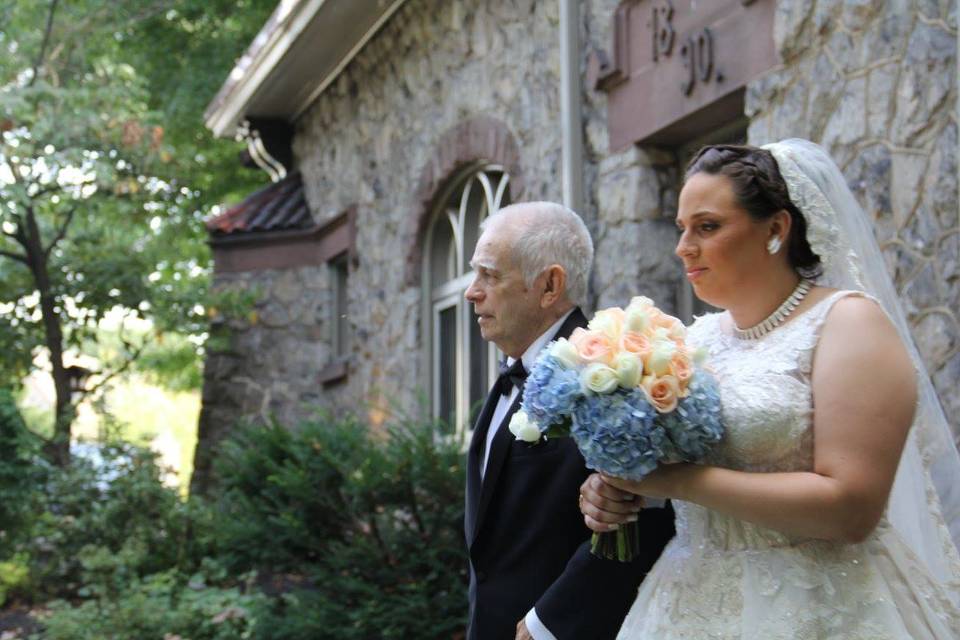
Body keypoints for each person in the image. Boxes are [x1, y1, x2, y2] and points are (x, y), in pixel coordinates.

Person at [579, 140, 960, 639]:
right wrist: (612, 490)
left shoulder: (848, 324)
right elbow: (660, 470)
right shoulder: (692, 341)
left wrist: (670, 482)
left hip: (823, 606)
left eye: (707, 227)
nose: (683, 247)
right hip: (687, 603)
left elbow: (852, 508)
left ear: (776, 229)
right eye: (681, 229)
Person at [463, 202, 675, 640]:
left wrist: (548, 624)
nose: (471, 292)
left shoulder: (609, 378)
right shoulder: (510, 373)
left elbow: (647, 519)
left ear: (549, 285)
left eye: (489, 274)